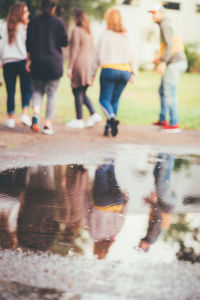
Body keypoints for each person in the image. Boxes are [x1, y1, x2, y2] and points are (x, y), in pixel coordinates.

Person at [91, 8, 137, 137]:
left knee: (104, 100)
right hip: (125, 71)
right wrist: (134, 74)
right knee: (114, 101)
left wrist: (91, 75)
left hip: (109, 70)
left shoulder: (104, 35)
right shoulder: (126, 36)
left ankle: (111, 118)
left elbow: (96, 57)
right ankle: (109, 127)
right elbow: (133, 56)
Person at [26, 0, 68, 135]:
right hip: (53, 63)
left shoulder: (33, 22)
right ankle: (48, 124)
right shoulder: (59, 22)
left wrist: (28, 60)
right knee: (52, 93)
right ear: (54, 7)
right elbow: (64, 42)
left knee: (37, 90)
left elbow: (29, 44)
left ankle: (36, 114)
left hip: (37, 61)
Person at [149, 4, 188, 133]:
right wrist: (160, 59)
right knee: (162, 91)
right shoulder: (163, 24)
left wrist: (163, 62)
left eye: (155, 13)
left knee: (169, 92)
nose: (153, 15)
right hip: (173, 61)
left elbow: (170, 44)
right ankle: (162, 119)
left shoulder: (165, 24)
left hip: (175, 63)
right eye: (152, 13)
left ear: (162, 13)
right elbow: (168, 46)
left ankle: (174, 124)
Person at [66, 9, 102, 129]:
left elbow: (75, 49)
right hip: (89, 65)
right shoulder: (89, 33)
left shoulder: (76, 31)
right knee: (81, 91)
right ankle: (93, 114)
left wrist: (70, 67)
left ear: (77, 19)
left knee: (76, 90)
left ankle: (79, 119)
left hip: (79, 64)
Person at [0, 2, 32, 129]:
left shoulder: (4, 26)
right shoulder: (25, 27)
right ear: (20, 13)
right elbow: (28, 45)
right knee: (26, 88)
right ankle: (24, 113)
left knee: (10, 91)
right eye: (25, 11)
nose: (28, 13)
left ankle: (11, 118)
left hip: (8, 62)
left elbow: (1, 45)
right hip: (23, 61)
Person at [139, 153, 176, 252]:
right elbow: (158, 219)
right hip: (166, 203)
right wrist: (154, 202)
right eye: (141, 246)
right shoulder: (151, 237)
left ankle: (161, 155)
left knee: (157, 175)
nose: (140, 244)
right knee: (163, 178)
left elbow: (156, 217)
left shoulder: (150, 237)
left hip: (167, 203)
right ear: (147, 247)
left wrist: (150, 202)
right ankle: (170, 155)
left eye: (139, 245)